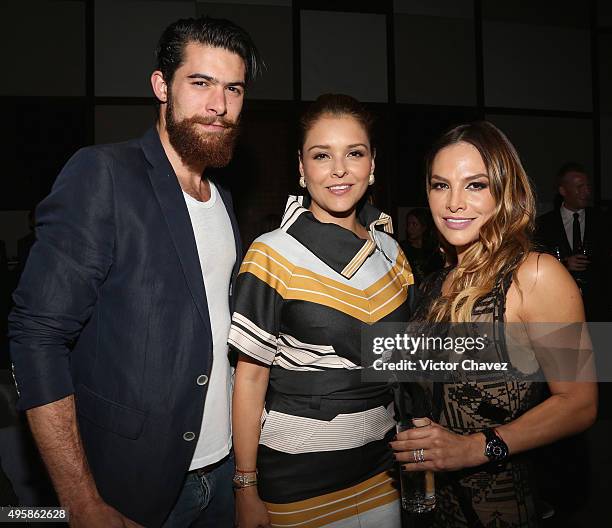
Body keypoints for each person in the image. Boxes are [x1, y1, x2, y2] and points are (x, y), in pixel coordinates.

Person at [9, 16, 261, 528]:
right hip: (133, 486)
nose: (219, 105)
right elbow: (37, 337)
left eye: (232, 88)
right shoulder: (102, 174)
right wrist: (80, 502)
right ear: (161, 86)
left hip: (221, 473)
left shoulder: (224, 199)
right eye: (200, 83)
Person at [390, 122, 598, 527]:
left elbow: (580, 403)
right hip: (431, 508)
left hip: (501, 509)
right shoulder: (433, 283)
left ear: (504, 191)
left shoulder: (537, 274)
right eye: (440, 185)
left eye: (475, 185)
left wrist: (475, 448)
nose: (453, 202)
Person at [229, 94, 415, 528]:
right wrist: (245, 487)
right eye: (321, 155)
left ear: (372, 164)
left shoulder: (392, 251)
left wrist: (551, 351)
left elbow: (407, 361)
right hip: (296, 482)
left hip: (381, 471)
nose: (339, 169)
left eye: (354, 153)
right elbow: (250, 378)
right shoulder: (271, 253)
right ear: (301, 167)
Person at [534, 162, 612, 321]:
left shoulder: (602, 220)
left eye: (587, 186)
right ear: (563, 191)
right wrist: (563, 264)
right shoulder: (544, 225)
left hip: (599, 307)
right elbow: (537, 262)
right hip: (559, 305)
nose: (587, 191)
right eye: (580, 187)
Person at [400, 207, 444, 285]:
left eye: (414, 224)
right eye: (408, 224)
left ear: (424, 227)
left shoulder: (434, 250)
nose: (410, 228)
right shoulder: (402, 248)